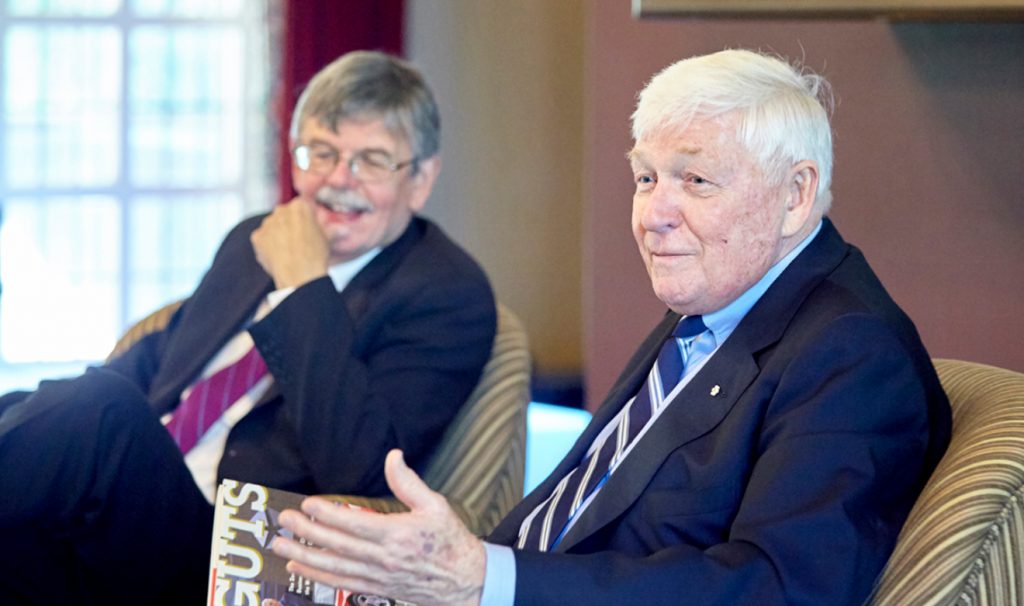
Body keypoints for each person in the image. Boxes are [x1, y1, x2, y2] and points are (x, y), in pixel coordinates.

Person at [269, 49, 952, 606]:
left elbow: (782, 590)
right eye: (646, 177)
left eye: (696, 181)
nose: (654, 212)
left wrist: (486, 580)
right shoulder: (717, 302)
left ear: (795, 195)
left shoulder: (851, 352)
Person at [0, 51, 495, 605]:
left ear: (421, 178)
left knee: (100, 413)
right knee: (38, 424)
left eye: (371, 161)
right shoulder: (254, 239)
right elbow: (160, 362)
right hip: (132, 514)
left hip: (244, 556)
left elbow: (363, 469)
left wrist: (303, 287)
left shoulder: (445, 295)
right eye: (321, 153)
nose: (337, 180)